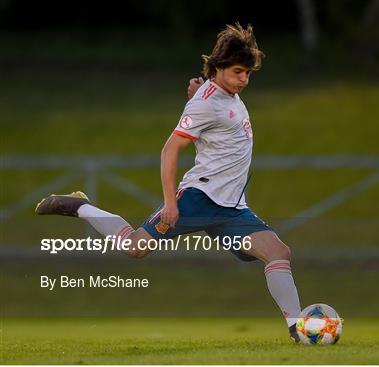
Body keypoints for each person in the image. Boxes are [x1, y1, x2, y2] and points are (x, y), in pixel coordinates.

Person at [35, 23, 302, 342]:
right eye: (237, 71)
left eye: (248, 73)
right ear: (218, 68)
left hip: (231, 210)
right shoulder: (206, 102)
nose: (244, 79)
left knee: (279, 253)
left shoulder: (216, 93)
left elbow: (208, 107)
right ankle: (80, 206)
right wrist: (171, 203)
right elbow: (169, 149)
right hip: (198, 199)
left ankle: (298, 329)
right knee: (134, 248)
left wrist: (199, 91)